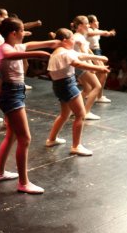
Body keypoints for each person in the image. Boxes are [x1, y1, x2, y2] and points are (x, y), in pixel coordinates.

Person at [0, 17, 59, 194]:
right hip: (11, 94)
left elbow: (36, 43)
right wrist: (37, 54)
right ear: (14, 33)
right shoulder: (4, 48)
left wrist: (54, 43)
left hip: (16, 92)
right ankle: (23, 183)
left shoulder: (17, 46)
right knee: (25, 138)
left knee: (12, 135)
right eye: (22, 30)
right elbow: (9, 56)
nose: (24, 33)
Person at [45, 28, 110, 156]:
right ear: (65, 40)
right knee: (80, 115)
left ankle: (51, 139)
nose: (74, 41)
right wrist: (99, 68)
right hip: (67, 85)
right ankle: (76, 146)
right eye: (72, 39)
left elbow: (80, 55)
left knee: (64, 114)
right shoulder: (65, 53)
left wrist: (98, 57)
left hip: (59, 86)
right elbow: (78, 63)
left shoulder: (59, 51)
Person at [71, 15, 104, 120]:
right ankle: (86, 112)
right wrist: (91, 66)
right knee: (97, 86)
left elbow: (88, 50)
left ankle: (74, 109)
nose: (88, 26)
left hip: (81, 64)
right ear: (80, 26)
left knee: (88, 88)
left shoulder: (81, 36)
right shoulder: (77, 37)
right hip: (81, 65)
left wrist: (96, 62)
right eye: (86, 24)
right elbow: (83, 53)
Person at [86, 14, 116, 103]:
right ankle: (98, 96)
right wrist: (104, 33)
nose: (98, 22)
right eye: (96, 21)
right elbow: (90, 33)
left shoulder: (96, 30)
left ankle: (96, 95)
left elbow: (101, 32)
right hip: (91, 52)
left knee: (100, 74)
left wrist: (109, 33)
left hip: (97, 51)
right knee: (103, 73)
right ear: (90, 23)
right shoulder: (89, 30)